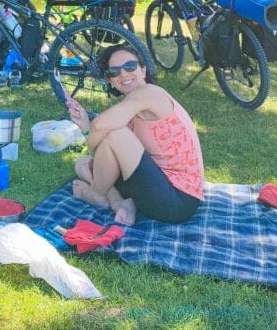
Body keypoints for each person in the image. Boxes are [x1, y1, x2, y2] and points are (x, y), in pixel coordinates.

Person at [64, 43, 204, 225]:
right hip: (156, 186)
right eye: (115, 72)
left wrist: (92, 137)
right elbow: (106, 152)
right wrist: (85, 127)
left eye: (130, 66)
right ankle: (120, 203)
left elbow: (100, 127)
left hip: (177, 200)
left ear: (143, 70)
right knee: (83, 164)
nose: (123, 74)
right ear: (111, 80)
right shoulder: (131, 109)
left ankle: (96, 194)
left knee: (114, 134)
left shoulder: (149, 93)